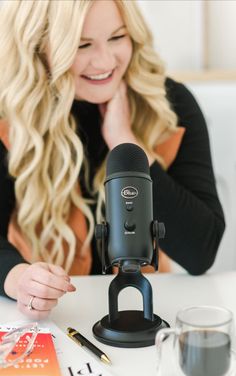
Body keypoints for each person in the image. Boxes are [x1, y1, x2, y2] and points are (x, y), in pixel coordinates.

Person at [0, 0, 225, 320]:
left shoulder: (169, 105)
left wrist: (125, 142)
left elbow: (201, 251)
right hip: (55, 319)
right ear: (38, 46)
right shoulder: (9, 116)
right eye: (82, 44)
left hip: (144, 314)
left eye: (118, 37)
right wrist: (19, 278)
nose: (105, 61)